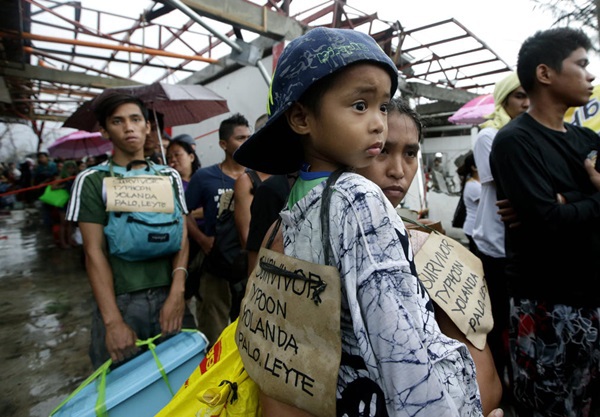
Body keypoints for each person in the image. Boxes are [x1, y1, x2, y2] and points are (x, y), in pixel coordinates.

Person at [234, 27, 497, 417]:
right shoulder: (358, 198)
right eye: (360, 105)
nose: (378, 123)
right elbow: (403, 352)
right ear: (302, 117)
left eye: (383, 107)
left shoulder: (293, 209)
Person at [355, 96, 501, 416]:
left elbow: (486, 386)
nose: (398, 171)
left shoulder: (422, 244)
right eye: (380, 150)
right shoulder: (301, 233)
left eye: (410, 153)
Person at [489, 28, 599, 417]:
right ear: (545, 73)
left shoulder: (588, 140)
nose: (591, 76)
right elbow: (546, 222)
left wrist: (568, 200)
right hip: (547, 304)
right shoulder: (515, 141)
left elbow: (552, 212)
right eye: (582, 64)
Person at [66, 93, 195, 369]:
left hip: (168, 296)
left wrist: (177, 292)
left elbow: (182, 236)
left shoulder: (168, 176)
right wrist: (113, 321)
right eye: (117, 121)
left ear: (148, 126)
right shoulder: (93, 180)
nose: (129, 127)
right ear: (104, 130)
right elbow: (93, 251)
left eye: (136, 119)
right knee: (123, 390)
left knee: (186, 385)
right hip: (121, 302)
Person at [471, 72, 529, 396]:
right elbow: (514, 183)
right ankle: (498, 383)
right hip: (495, 242)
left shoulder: (525, 134)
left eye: (529, 95)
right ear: (504, 99)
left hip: (521, 242)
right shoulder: (490, 136)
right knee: (497, 321)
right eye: (519, 96)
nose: (527, 102)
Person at [185, 112, 250, 346]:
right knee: (215, 332)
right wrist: (202, 240)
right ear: (223, 144)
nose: (247, 142)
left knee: (250, 328)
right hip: (215, 265)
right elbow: (184, 213)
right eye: (240, 138)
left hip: (248, 263)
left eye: (248, 137)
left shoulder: (256, 174)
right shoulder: (205, 177)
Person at [456, 152, 480, 254]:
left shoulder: (476, 184)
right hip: (473, 228)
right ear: (474, 167)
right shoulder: (473, 186)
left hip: (475, 228)